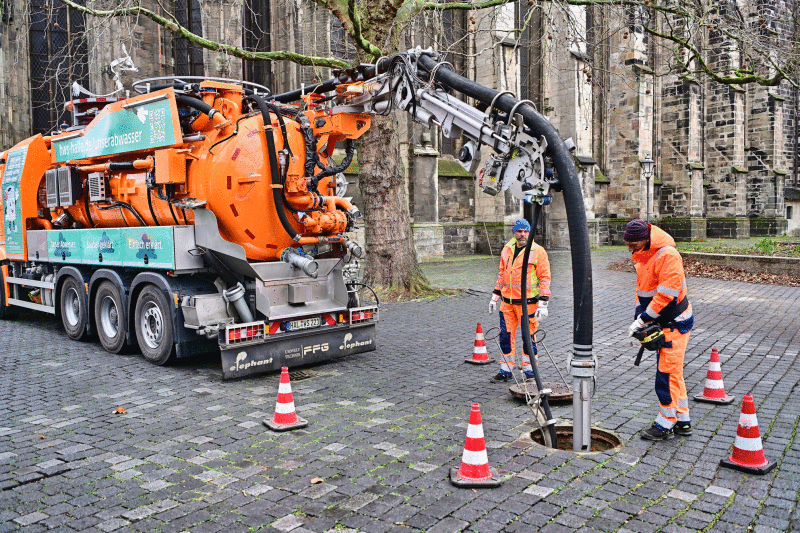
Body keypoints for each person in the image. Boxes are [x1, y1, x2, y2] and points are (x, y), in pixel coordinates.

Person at [623, 218, 694, 441]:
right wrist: (639, 315)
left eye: (633, 244)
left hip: (674, 322)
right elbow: (642, 291)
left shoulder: (668, 256)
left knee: (666, 375)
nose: (629, 248)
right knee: (674, 372)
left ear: (645, 240)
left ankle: (666, 423)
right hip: (662, 321)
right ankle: (682, 420)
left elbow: (666, 295)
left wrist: (644, 319)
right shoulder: (643, 257)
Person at [488, 219, 551, 383]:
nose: (522, 234)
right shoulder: (507, 249)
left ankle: (530, 371)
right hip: (507, 303)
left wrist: (543, 303)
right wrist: (495, 296)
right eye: (519, 231)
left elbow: (544, 278)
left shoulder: (538, 251)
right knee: (505, 337)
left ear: (529, 232)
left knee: (528, 338)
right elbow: (502, 274)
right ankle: (505, 370)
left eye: (525, 231)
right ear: (514, 232)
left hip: (527, 304)